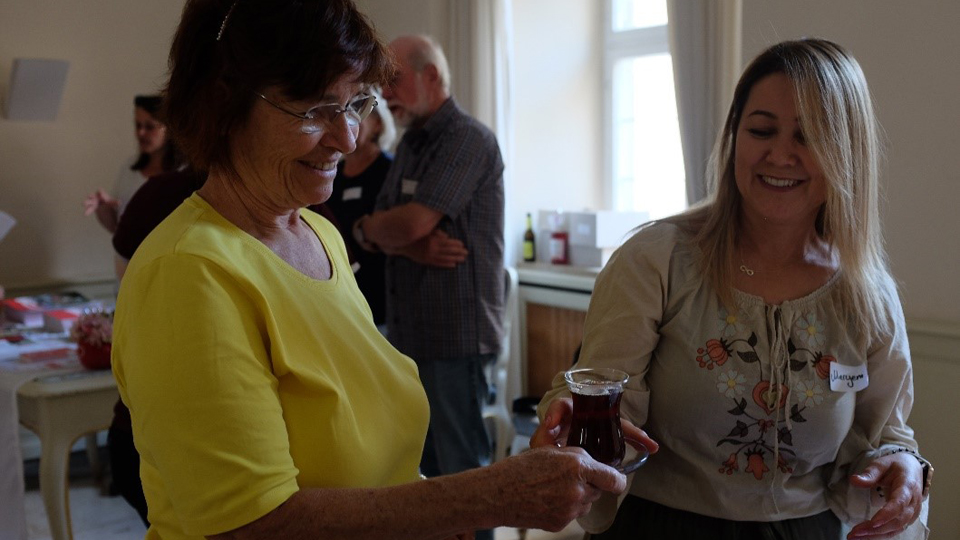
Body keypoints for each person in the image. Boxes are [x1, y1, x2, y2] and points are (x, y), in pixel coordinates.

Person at [111, 1, 629, 539]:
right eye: (314, 110)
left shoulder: (318, 234)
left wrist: (473, 494)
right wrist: (489, 496)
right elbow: (250, 526)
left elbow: (373, 465)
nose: (348, 137)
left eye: (355, 102)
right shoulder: (188, 275)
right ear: (224, 107)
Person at [533, 39, 932, 540]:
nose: (780, 155)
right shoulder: (656, 262)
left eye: (808, 137)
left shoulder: (866, 295)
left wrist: (904, 466)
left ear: (847, 151)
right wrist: (581, 425)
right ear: (733, 138)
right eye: (761, 130)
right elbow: (609, 408)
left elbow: (886, 433)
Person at [353, 37, 503, 522]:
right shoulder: (411, 143)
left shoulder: (467, 139)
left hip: (455, 337)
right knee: (428, 479)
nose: (385, 91)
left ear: (431, 77)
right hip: (411, 336)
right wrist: (402, 238)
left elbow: (409, 221)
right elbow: (378, 223)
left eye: (393, 79)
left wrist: (389, 231)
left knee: (463, 480)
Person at [319, 89, 395, 327]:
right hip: (340, 294)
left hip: (381, 291)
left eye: (359, 112)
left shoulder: (389, 170)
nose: (350, 121)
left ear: (378, 125)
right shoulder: (330, 173)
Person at [83, 95, 185, 234]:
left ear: (169, 130)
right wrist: (103, 207)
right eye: (138, 125)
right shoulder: (129, 167)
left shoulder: (184, 175)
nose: (141, 133)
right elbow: (115, 228)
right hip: (126, 256)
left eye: (150, 127)